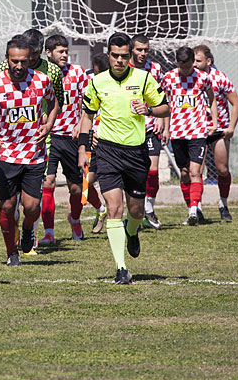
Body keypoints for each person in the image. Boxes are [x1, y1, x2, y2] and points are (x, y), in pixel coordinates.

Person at [77, 32, 169, 284]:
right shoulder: (97, 82)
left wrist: (148, 109)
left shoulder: (144, 78)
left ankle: (133, 230)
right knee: (114, 208)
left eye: (124, 56)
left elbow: (165, 107)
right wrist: (83, 150)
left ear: (130, 56)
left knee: (136, 210)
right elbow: (87, 116)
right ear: (108, 55)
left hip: (136, 153)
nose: (119, 60)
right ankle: (121, 268)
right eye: (115, 56)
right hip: (107, 152)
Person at [0, 35, 57, 266]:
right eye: (15, 61)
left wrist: (48, 125)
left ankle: (29, 228)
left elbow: (53, 104)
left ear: (30, 59)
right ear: (7, 59)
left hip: (34, 153)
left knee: (31, 207)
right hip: (6, 153)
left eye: (24, 61)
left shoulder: (42, 80)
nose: (19, 66)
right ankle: (11, 252)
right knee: (8, 206)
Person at [40, 34, 105, 244]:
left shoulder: (77, 73)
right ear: (48, 53)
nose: (65, 55)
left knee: (77, 188)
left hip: (71, 137)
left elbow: (90, 102)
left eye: (66, 51)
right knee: (48, 182)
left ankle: (74, 219)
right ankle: (48, 232)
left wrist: (82, 124)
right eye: (60, 51)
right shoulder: (40, 74)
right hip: (49, 137)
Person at [161, 46, 217, 226]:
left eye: (187, 64)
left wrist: (213, 121)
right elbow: (166, 103)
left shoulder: (203, 77)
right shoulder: (169, 78)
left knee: (195, 172)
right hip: (178, 132)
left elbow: (212, 98)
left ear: (193, 61)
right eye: (181, 64)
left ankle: (194, 210)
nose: (184, 68)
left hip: (197, 131)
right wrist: (166, 128)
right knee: (184, 174)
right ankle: (192, 208)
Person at [193, 45, 238, 221]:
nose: (195, 64)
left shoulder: (219, 78)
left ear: (208, 61)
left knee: (222, 169)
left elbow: (236, 103)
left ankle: (223, 204)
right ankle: (196, 207)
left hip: (219, 129)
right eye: (193, 61)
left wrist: (231, 127)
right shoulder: (191, 78)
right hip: (198, 128)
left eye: (198, 61)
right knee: (195, 171)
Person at [130, 34, 165, 229]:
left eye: (146, 50)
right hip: (129, 129)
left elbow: (161, 97)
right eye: (139, 50)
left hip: (150, 127)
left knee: (152, 171)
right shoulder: (124, 68)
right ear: (131, 50)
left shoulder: (155, 69)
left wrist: (161, 119)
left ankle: (149, 209)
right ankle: (134, 212)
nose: (143, 54)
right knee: (134, 173)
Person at [88, 52, 109, 234]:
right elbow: (85, 111)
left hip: (110, 141)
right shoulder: (89, 83)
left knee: (110, 182)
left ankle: (117, 218)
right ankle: (101, 210)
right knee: (85, 182)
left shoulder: (114, 86)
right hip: (91, 140)